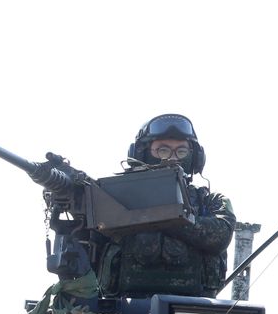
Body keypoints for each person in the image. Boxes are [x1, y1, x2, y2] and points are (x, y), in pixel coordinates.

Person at [96, 113, 236, 298]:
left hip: (193, 309)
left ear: (195, 158)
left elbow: (219, 235)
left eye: (181, 151)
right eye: (162, 150)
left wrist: (160, 215)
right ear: (142, 153)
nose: (172, 158)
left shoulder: (211, 201)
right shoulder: (116, 197)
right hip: (120, 310)